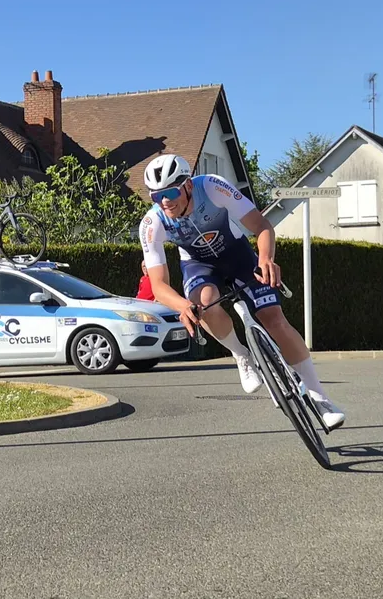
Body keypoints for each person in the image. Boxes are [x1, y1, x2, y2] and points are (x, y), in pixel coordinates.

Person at [138, 154, 345, 430]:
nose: (165, 201)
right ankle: (241, 354)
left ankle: (321, 399)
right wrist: (181, 306)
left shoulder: (212, 186)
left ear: (188, 185)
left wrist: (266, 259)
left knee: (275, 319)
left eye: (171, 192)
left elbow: (261, 226)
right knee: (204, 303)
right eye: (157, 196)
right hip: (198, 265)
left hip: (237, 256)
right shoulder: (152, 224)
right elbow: (159, 284)